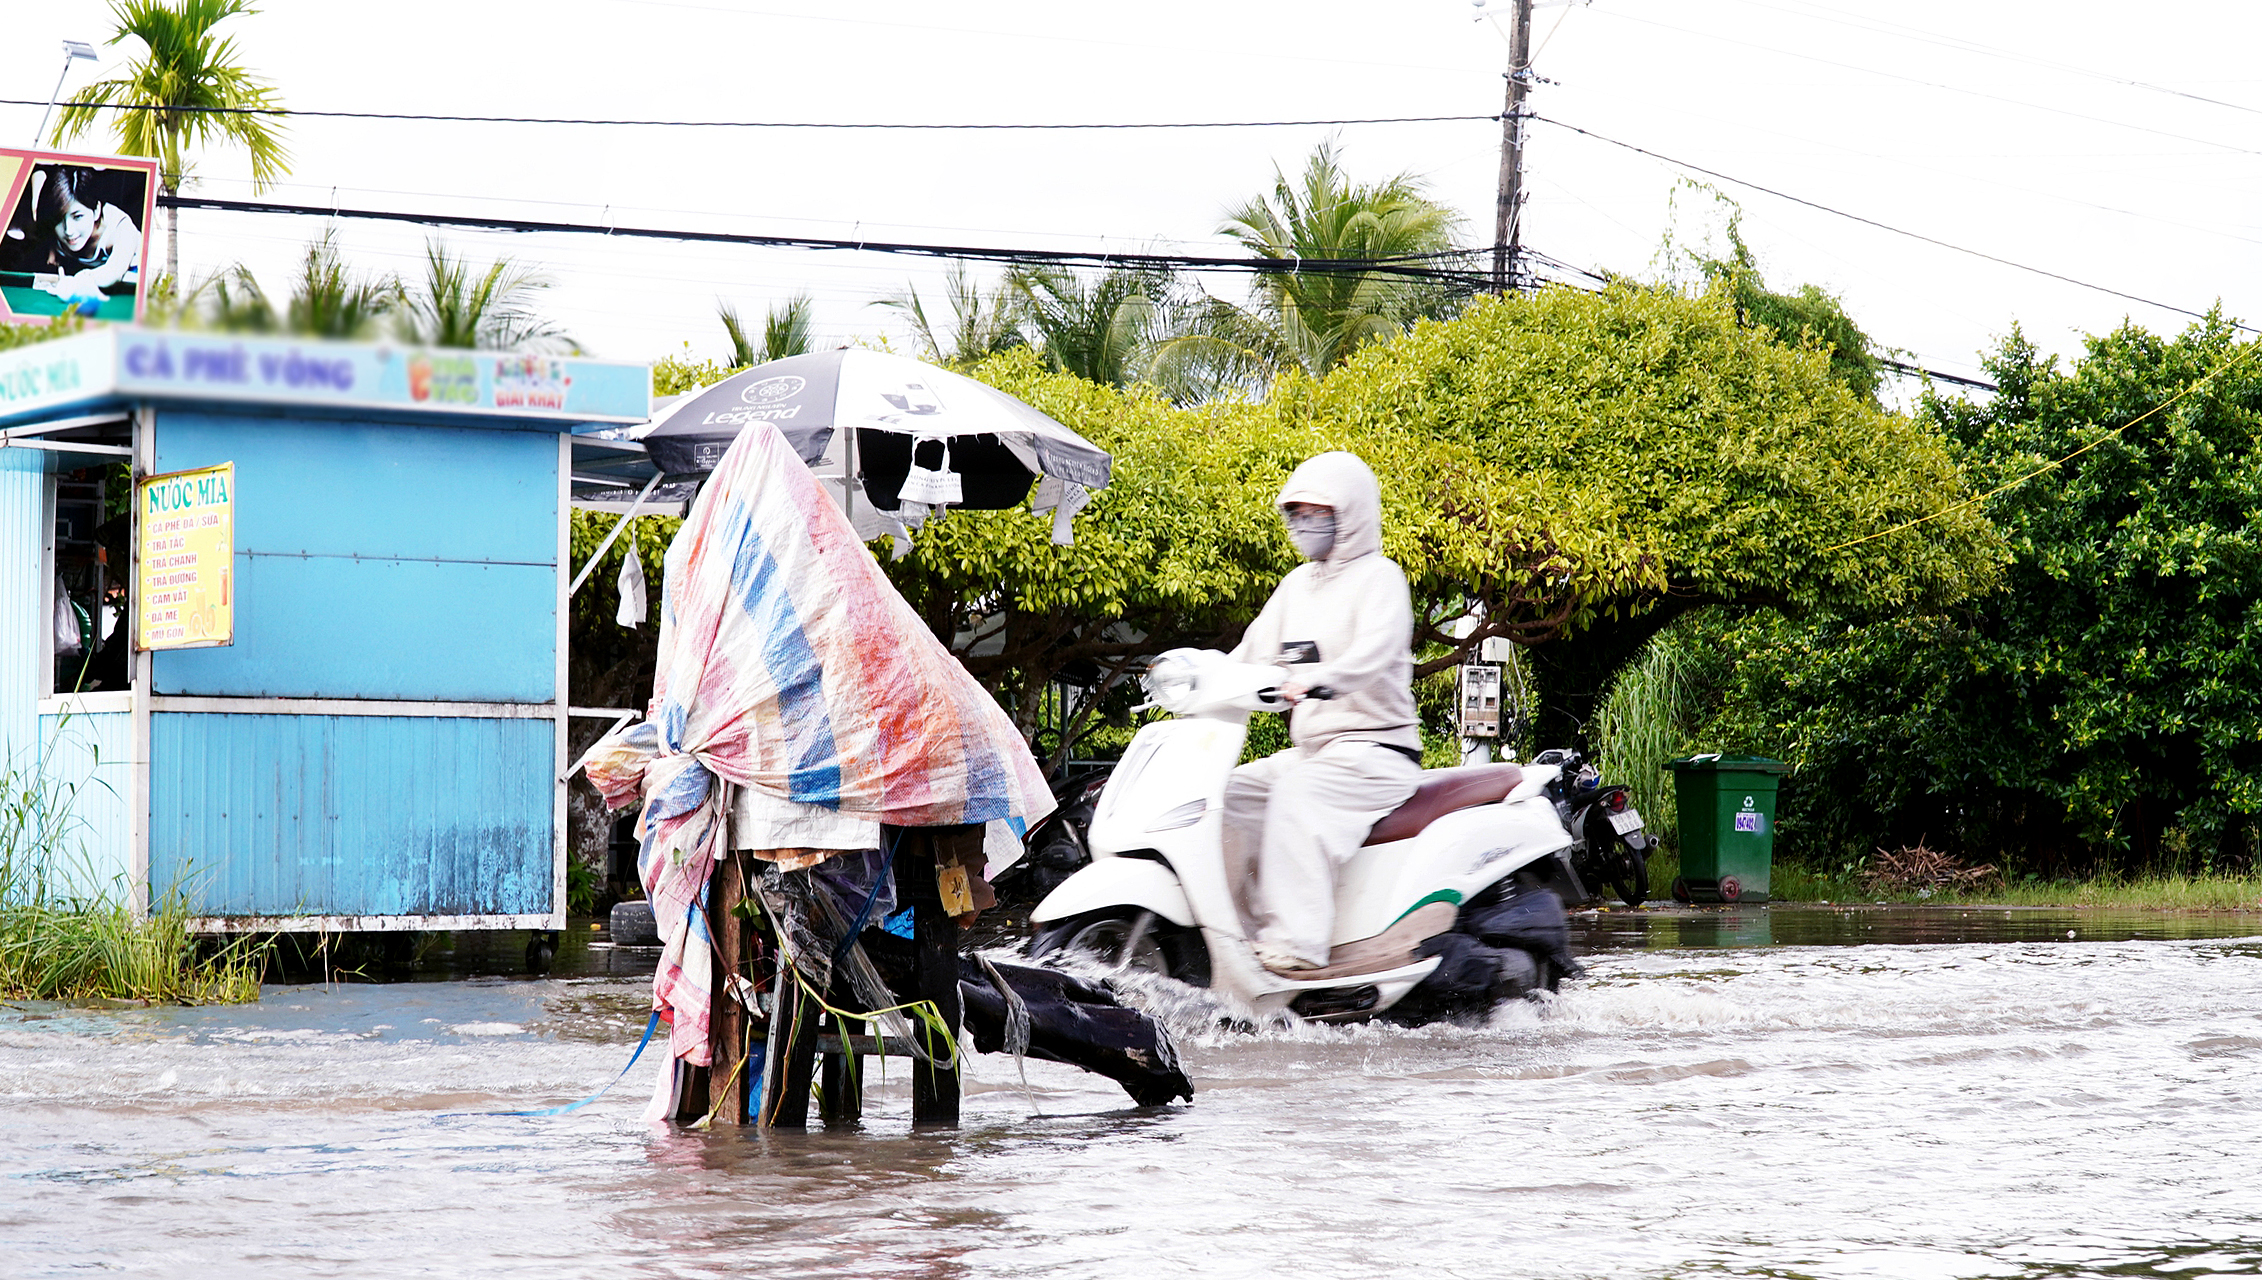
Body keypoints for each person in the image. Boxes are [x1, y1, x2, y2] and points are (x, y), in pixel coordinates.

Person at [1222, 451, 1423, 974]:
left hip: (1376, 750)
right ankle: (1234, 936)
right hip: (1313, 752)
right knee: (1230, 795)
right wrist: (1199, 676)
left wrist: (1320, 678)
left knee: (1298, 795)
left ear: (1350, 512)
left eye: (1318, 512)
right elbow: (1251, 652)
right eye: (1298, 513)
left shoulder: (1380, 578)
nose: (1304, 524)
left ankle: (1296, 947)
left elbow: (1373, 654)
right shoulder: (1297, 585)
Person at [32, 166, 140, 305]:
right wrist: (52, 249)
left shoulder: (121, 228)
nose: (68, 230)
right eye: (59, 219)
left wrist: (77, 280)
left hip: (130, 283)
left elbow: (113, 273)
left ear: (96, 211)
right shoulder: (52, 228)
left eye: (77, 217)